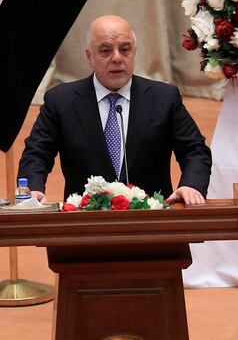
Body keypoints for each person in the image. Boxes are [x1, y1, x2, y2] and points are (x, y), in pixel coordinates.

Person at [18, 15, 212, 205]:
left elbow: (194, 150)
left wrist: (191, 185)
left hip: (152, 225)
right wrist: (33, 189)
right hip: (85, 226)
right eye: (105, 50)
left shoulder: (164, 98)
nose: (117, 58)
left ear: (134, 52)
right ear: (89, 57)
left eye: (125, 49)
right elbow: (36, 153)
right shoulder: (61, 101)